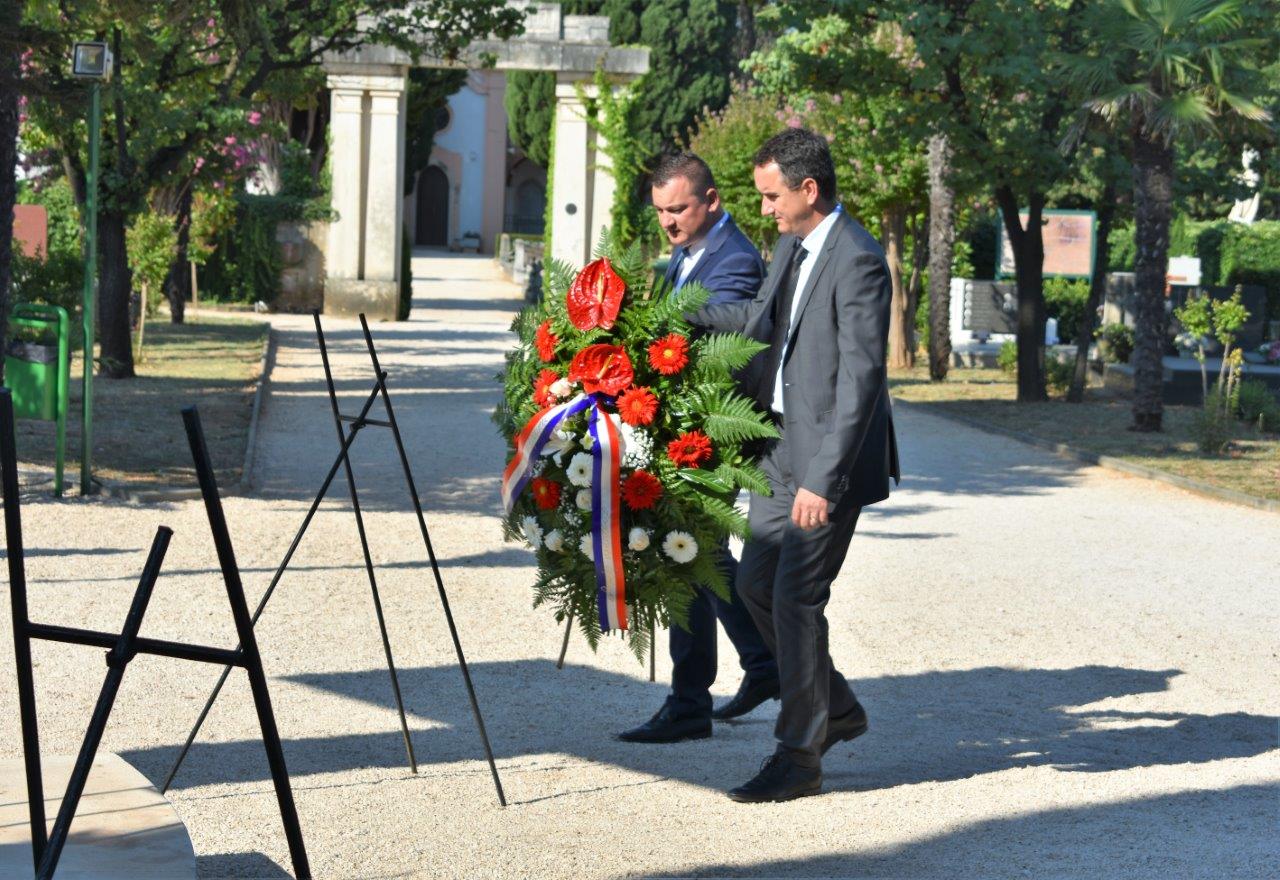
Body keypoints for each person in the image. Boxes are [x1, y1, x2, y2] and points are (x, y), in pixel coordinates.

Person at [692, 128, 899, 802]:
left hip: (823, 467)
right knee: (754, 587)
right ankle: (834, 709)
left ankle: (798, 758)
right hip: (777, 450)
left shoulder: (860, 260)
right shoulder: (791, 244)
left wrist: (824, 480)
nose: (765, 210)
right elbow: (756, 318)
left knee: (795, 598)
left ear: (809, 189)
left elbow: (861, 384)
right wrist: (679, 318)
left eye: (772, 196)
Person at [616, 152, 780, 745]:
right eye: (660, 210)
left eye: (679, 208)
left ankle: (695, 699)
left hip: (709, 433)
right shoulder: (689, 253)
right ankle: (761, 666)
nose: (668, 221)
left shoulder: (733, 259)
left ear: (711, 200)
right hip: (689, 432)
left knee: (690, 555)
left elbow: (711, 346)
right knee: (700, 554)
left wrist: (651, 333)